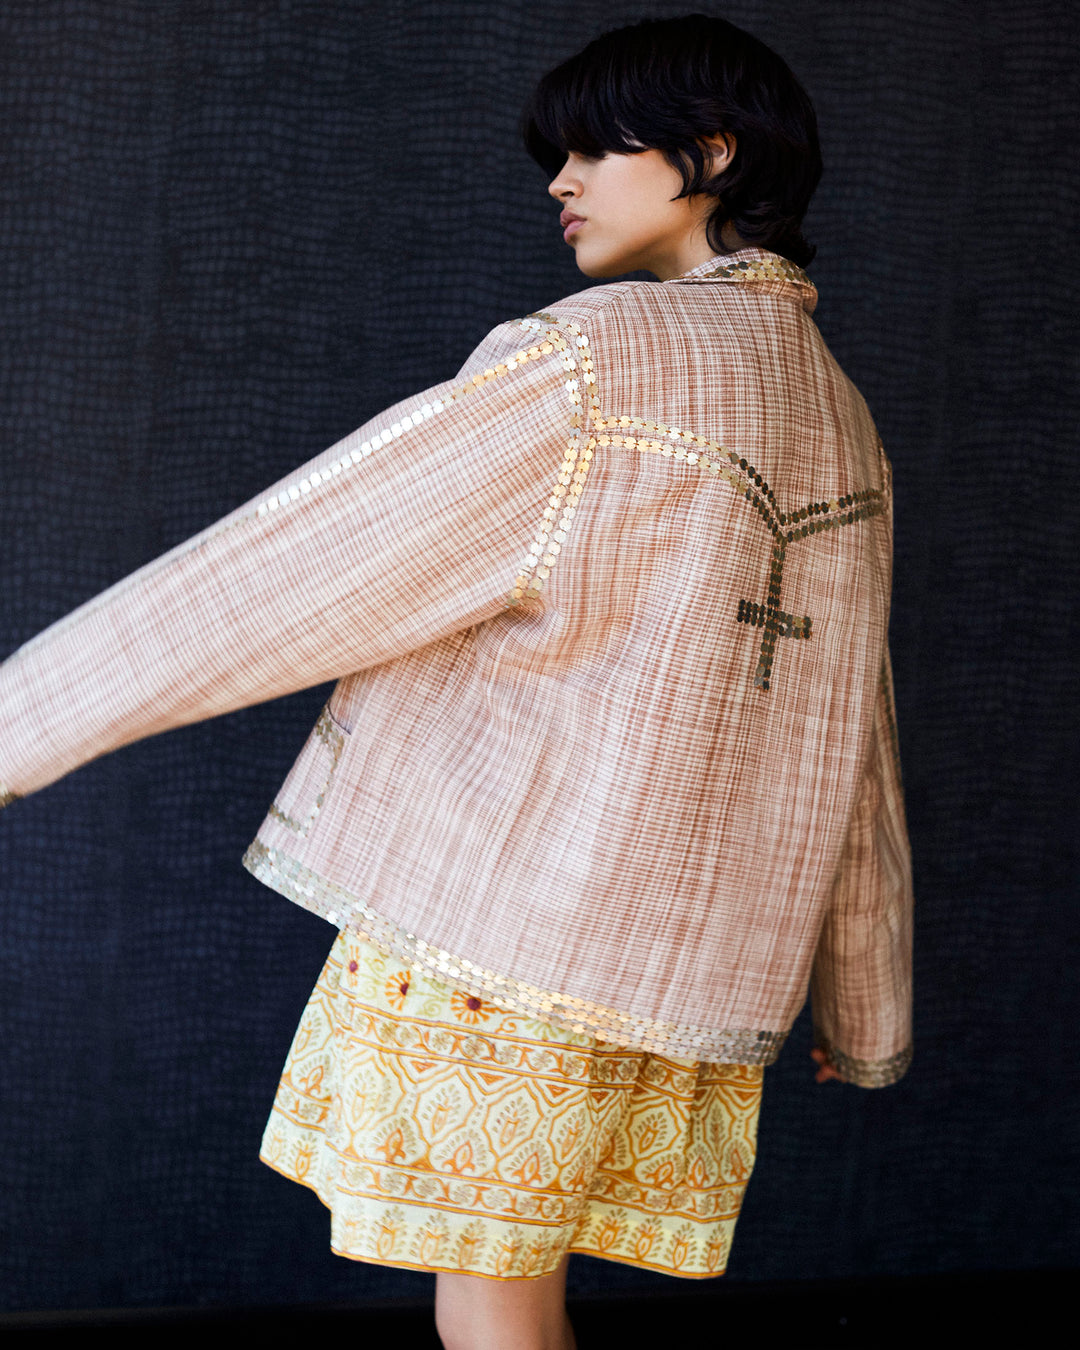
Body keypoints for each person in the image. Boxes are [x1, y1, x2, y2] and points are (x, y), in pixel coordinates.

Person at [0, 13, 913, 1350]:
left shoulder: (597, 359)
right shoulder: (842, 412)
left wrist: (23, 716)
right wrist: (863, 981)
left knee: (486, 1297)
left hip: (515, 925)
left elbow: (306, 560)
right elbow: (855, 729)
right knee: (512, 1278)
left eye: (594, 148)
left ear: (711, 152)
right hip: (687, 957)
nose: (560, 181)